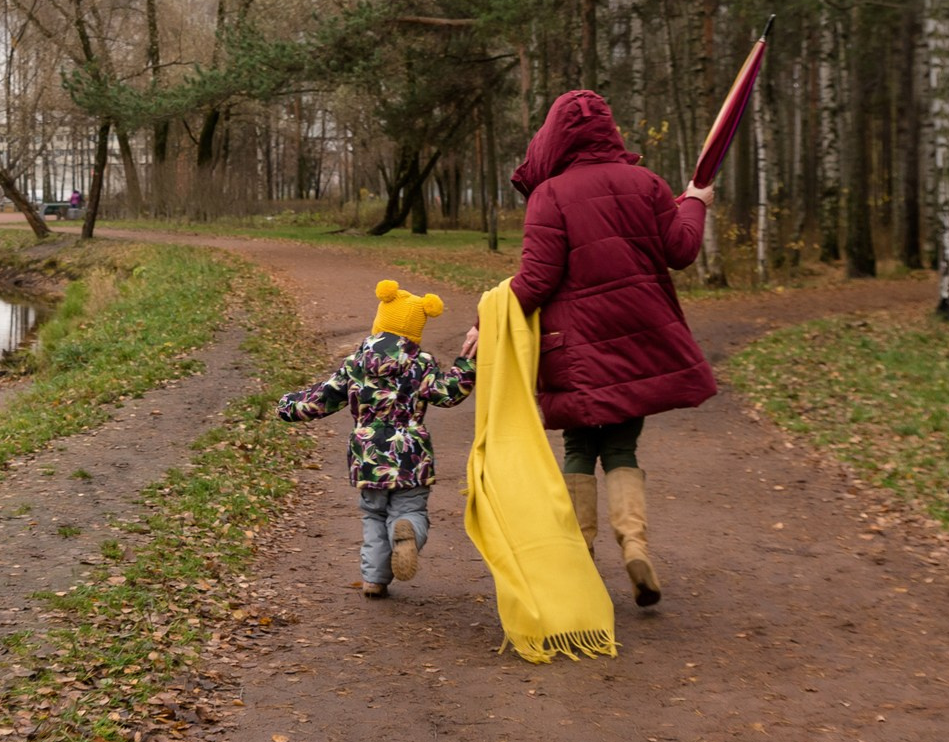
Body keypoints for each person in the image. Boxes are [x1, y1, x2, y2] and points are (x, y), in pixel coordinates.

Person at [462, 89, 715, 609]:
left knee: (580, 448)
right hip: (641, 338)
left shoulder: (549, 196)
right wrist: (693, 202)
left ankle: (578, 555)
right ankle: (636, 546)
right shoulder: (647, 184)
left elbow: (535, 280)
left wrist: (485, 321)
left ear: (555, 136)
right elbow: (682, 251)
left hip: (572, 348)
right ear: (609, 131)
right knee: (622, 448)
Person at [279, 280, 476, 598]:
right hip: (410, 455)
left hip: (368, 456)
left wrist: (288, 405)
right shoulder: (419, 364)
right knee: (409, 509)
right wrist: (467, 364)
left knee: (373, 515)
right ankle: (409, 531)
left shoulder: (355, 365)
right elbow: (449, 394)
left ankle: (374, 579)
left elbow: (321, 399)